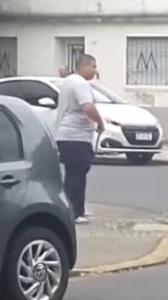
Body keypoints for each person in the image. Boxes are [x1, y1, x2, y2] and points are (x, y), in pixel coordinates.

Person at [55, 54, 105, 224]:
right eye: (93, 66)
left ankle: (78, 209)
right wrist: (100, 122)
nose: (95, 70)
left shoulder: (69, 81)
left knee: (76, 173)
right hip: (75, 136)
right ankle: (72, 212)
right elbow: (87, 107)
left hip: (69, 135)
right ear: (84, 66)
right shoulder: (80, 83)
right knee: (76, 174)